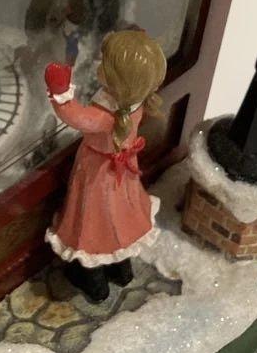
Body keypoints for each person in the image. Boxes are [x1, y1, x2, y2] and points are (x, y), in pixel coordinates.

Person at [43, 29, 166, 302]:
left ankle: (92, 279)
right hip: (123, 170)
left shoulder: (105, 115)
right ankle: (121, 269)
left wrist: (59, 92)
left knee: (95, 221)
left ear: (118, 80)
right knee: (122, 216)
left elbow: (76, 117)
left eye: (104, 64)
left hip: (99, 173)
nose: (99, 65)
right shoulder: (136, 103)